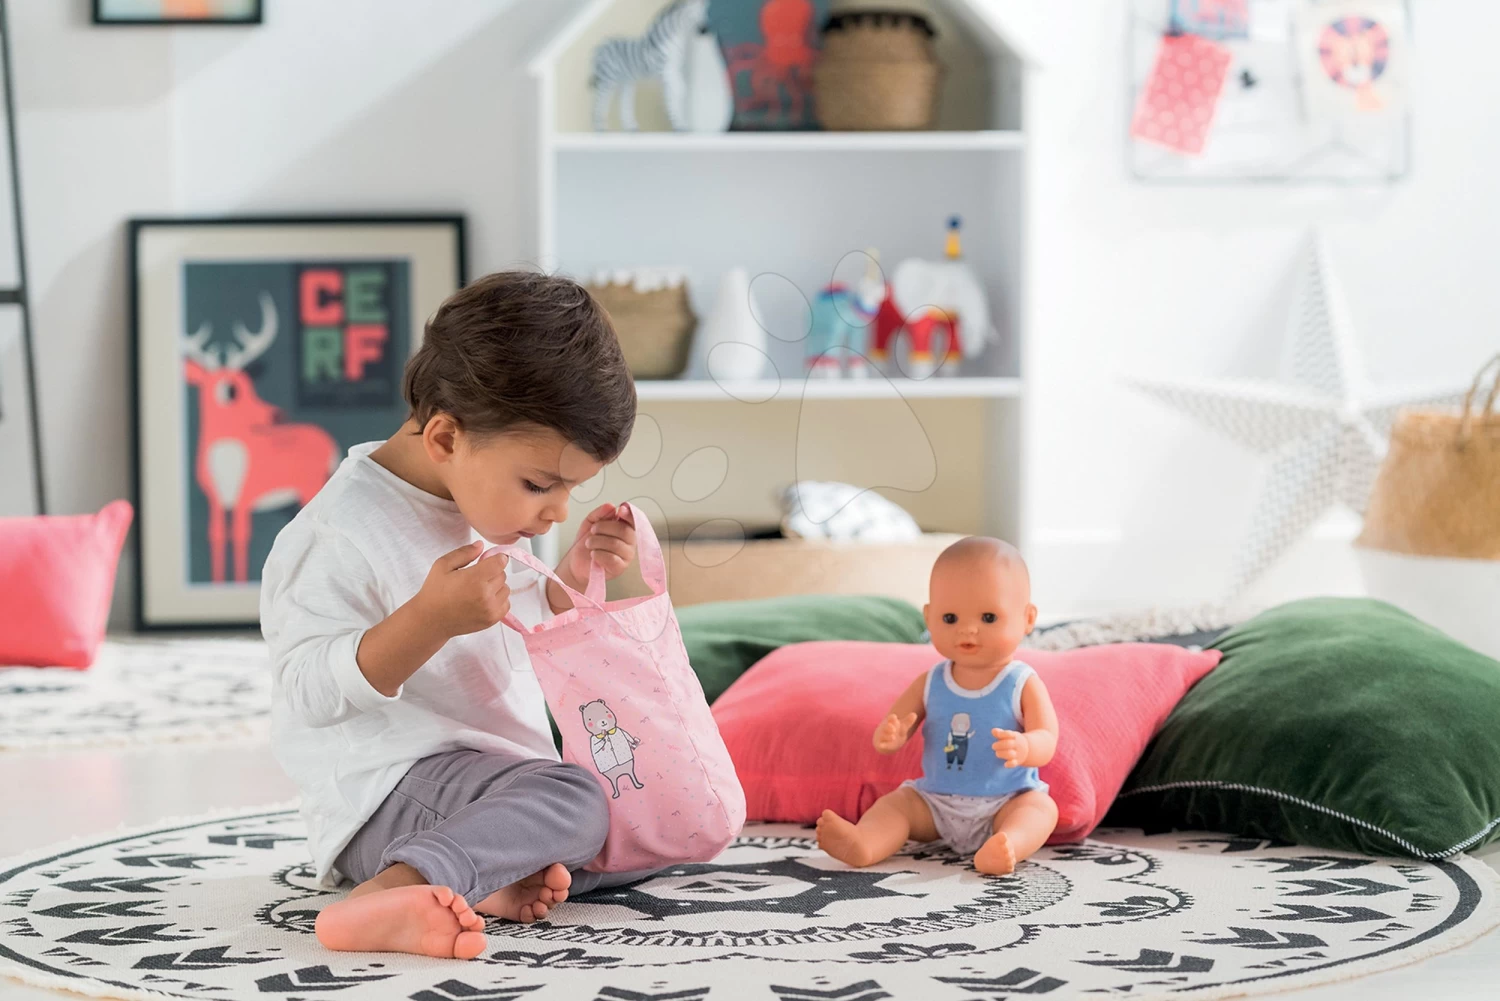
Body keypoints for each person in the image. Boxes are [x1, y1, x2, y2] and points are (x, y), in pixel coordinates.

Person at [260, 270, 639, 960]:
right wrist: (428, 619)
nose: (556, 510)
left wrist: (571, 577)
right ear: (444, 439)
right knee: (579, 802)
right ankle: (391, 890)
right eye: (540, 484)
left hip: (487, 782)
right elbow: (306, 693)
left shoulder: (484, 500)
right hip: (385, 796)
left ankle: (482, 874)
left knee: (643, 820)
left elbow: (512, 626)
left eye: (569, 489)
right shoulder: (336, 533)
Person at [815, 537, 1060, 876]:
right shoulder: (931, 681)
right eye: (950, 617)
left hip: (1006, 800)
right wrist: (890, 735)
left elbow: (1047, 737)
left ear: (1028, 618)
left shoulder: (1021, 682)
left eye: (988, 617)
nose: (968, 629)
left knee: (1041, 809)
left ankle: (1007, 845)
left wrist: (1026, 746)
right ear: (929, 618)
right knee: (896, 805)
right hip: (935, 802)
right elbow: (895, 724)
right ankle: (865, 843)